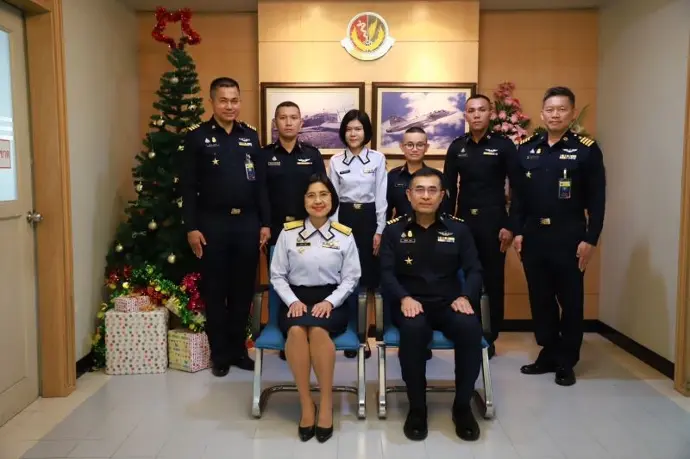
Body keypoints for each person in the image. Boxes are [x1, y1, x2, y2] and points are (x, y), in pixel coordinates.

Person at [380, 167, 484, 442]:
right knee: (413, 331)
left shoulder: (458, 229)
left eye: (432, 190)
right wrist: (403, 298)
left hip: (449, 303)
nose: (425, 196)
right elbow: (386, 274)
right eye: (419, 190)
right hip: (410, 303)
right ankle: (417, 408)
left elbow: (474, 270)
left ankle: (462, 407)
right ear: (408, 195)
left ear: (442, 195)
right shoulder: (393, 230)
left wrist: (466, 297)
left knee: (470, 328)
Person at [512, 86, 606, 386]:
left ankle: (567, 359)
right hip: (533, 236)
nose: (555, 114)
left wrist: (591, 239)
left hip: (569, 237)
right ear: (542, 113)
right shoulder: (526, 148)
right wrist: (517, 231)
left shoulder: (586, 149)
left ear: (572, 113)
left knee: (571, 299)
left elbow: (597, 199)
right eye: (550, 109)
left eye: (562, 109)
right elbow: (518, 197)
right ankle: (548, 353)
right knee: (540, 299)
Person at [178, 77, 271, 377]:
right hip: (212, 225)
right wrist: (191, 227)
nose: (230, 106)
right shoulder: (197, 137)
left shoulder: (250, 136)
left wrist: (265, 223)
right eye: (223, 100)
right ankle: (219, 354)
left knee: (243, 291)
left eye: (234, 100)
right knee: (216, 292)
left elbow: (260, 185)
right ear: (212, 102)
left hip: (246, 223)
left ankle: (238, 350)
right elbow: (188, 187)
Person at [270, 173, 361, 443]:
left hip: (332, 299)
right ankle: (306, 404)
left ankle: (327, 403)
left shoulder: (344, 235)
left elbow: (351, 278)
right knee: (297, 332)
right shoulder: (288, 233)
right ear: (303, 201)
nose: (318, 201)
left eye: (323, 195)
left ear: (332, 199)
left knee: (319, 332)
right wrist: (292, 301)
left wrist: (330, 301)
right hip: (295, 298)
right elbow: (277, 275)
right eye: (311, 195)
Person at [442, 94, 520, 357]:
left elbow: (518, 188)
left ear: (490, 114)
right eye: (471, 110)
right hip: (463, 222)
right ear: (465, 115)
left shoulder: (503, 145)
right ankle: (467, 331)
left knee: (492, 280)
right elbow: (448, 190)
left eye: (481, 110)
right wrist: (446, 223)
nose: (476, 114)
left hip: (494, 223)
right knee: (463, 278)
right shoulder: (457, 147)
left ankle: (490, 335)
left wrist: (510, 225)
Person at [262, 101, 326, 361]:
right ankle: (286, 335)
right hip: (275, 230)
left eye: (293, 117)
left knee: (307, 279)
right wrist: (265, 225)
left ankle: (310, 331)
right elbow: (260, 194)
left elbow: (322, 192)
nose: (288, 122)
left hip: (307, 229)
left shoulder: (312, 154)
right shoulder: (264, 155)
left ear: (301, 122)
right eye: (283, 117)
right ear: (275, 123)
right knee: (280, 282)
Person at [329, 109, 387, 359]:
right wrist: (334, 231)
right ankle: (349, 333)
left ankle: (364, 337)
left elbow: (381, 197)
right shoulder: (335, 161)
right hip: (344, 220)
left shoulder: (377, 159)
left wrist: (380, 229)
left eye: (358, 129)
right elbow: (332, 199)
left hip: (369, 220)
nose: (353, 134)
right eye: (349, 129)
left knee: (368, 281)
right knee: (345, 278)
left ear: (366, 132)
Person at [386, 126, 433, 361]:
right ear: (402, 147)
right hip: (400, 242)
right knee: (402, 290)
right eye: (410, 144)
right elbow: (385, 211)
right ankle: (408, 339)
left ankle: (422, 342)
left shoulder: (435, 177)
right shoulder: (393, 177)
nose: (414, 149)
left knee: (427, 289)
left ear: (427, 147)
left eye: (419, 144)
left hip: (429, 242)